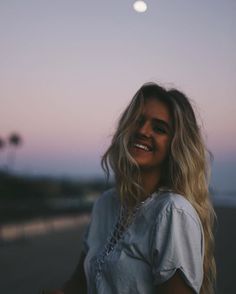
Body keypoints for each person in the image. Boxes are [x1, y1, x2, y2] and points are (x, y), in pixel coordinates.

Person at [50, 82, 216, 294]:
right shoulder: (105, 204)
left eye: (159, 128)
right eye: (138, 121)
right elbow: (78, 285)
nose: (142, 131)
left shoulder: (172, 212)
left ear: (176, 145)